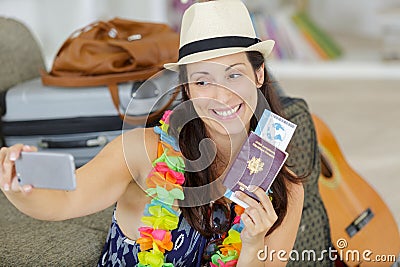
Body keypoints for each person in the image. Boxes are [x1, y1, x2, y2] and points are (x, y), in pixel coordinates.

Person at [0, 0, 304, 266]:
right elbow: (64, 201)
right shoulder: (142, 151)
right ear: (186, 87)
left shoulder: (285, 191)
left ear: (259, 74)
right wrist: (18, 189)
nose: (220, 96)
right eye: (202, 81)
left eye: (234, 74)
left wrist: (252, 245)